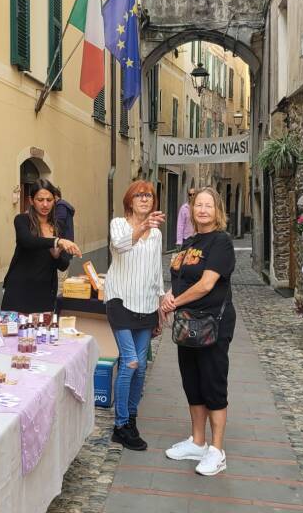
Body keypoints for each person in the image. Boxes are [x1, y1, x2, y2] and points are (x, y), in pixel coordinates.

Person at [160, 187, 237, 476]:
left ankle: (217, 451)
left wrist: (173, 303)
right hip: (188, 323)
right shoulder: (190, 242)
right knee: (192, 382)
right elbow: (181, 278)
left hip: (212, 324)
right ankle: (198, 442)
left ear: (218, 211)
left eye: (208, 205)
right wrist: (169, 296)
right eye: (198, 205)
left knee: (212, 383)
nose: (203, 210)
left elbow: (206, 284)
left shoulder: (221, 242)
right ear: (191, 210)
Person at [105, 181, 166, 451]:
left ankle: (131, 419)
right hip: (119, 299)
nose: (144, 199)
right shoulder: (118, 223)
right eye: (139, 195)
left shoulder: (156, 234)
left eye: (149, 195)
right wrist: (141, 227)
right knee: (129, 362)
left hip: (145, 304)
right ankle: (120, 425)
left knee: (141, 366)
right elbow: (120, 246)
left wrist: (161, 305)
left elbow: (155, 270)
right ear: (129, 200)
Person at [1, 179, 82, 313]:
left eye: (49, 200)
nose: (45, 204)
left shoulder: (57, 227)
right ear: (31, 200)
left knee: (42, 333)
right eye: (40, 200)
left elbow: (63, 265)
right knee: (15, 333)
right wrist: (57, 241)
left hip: (45, 293)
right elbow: (27, 241)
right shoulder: (22, 220)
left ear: (54, 200)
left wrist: (56, 256)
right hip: (19, 292)